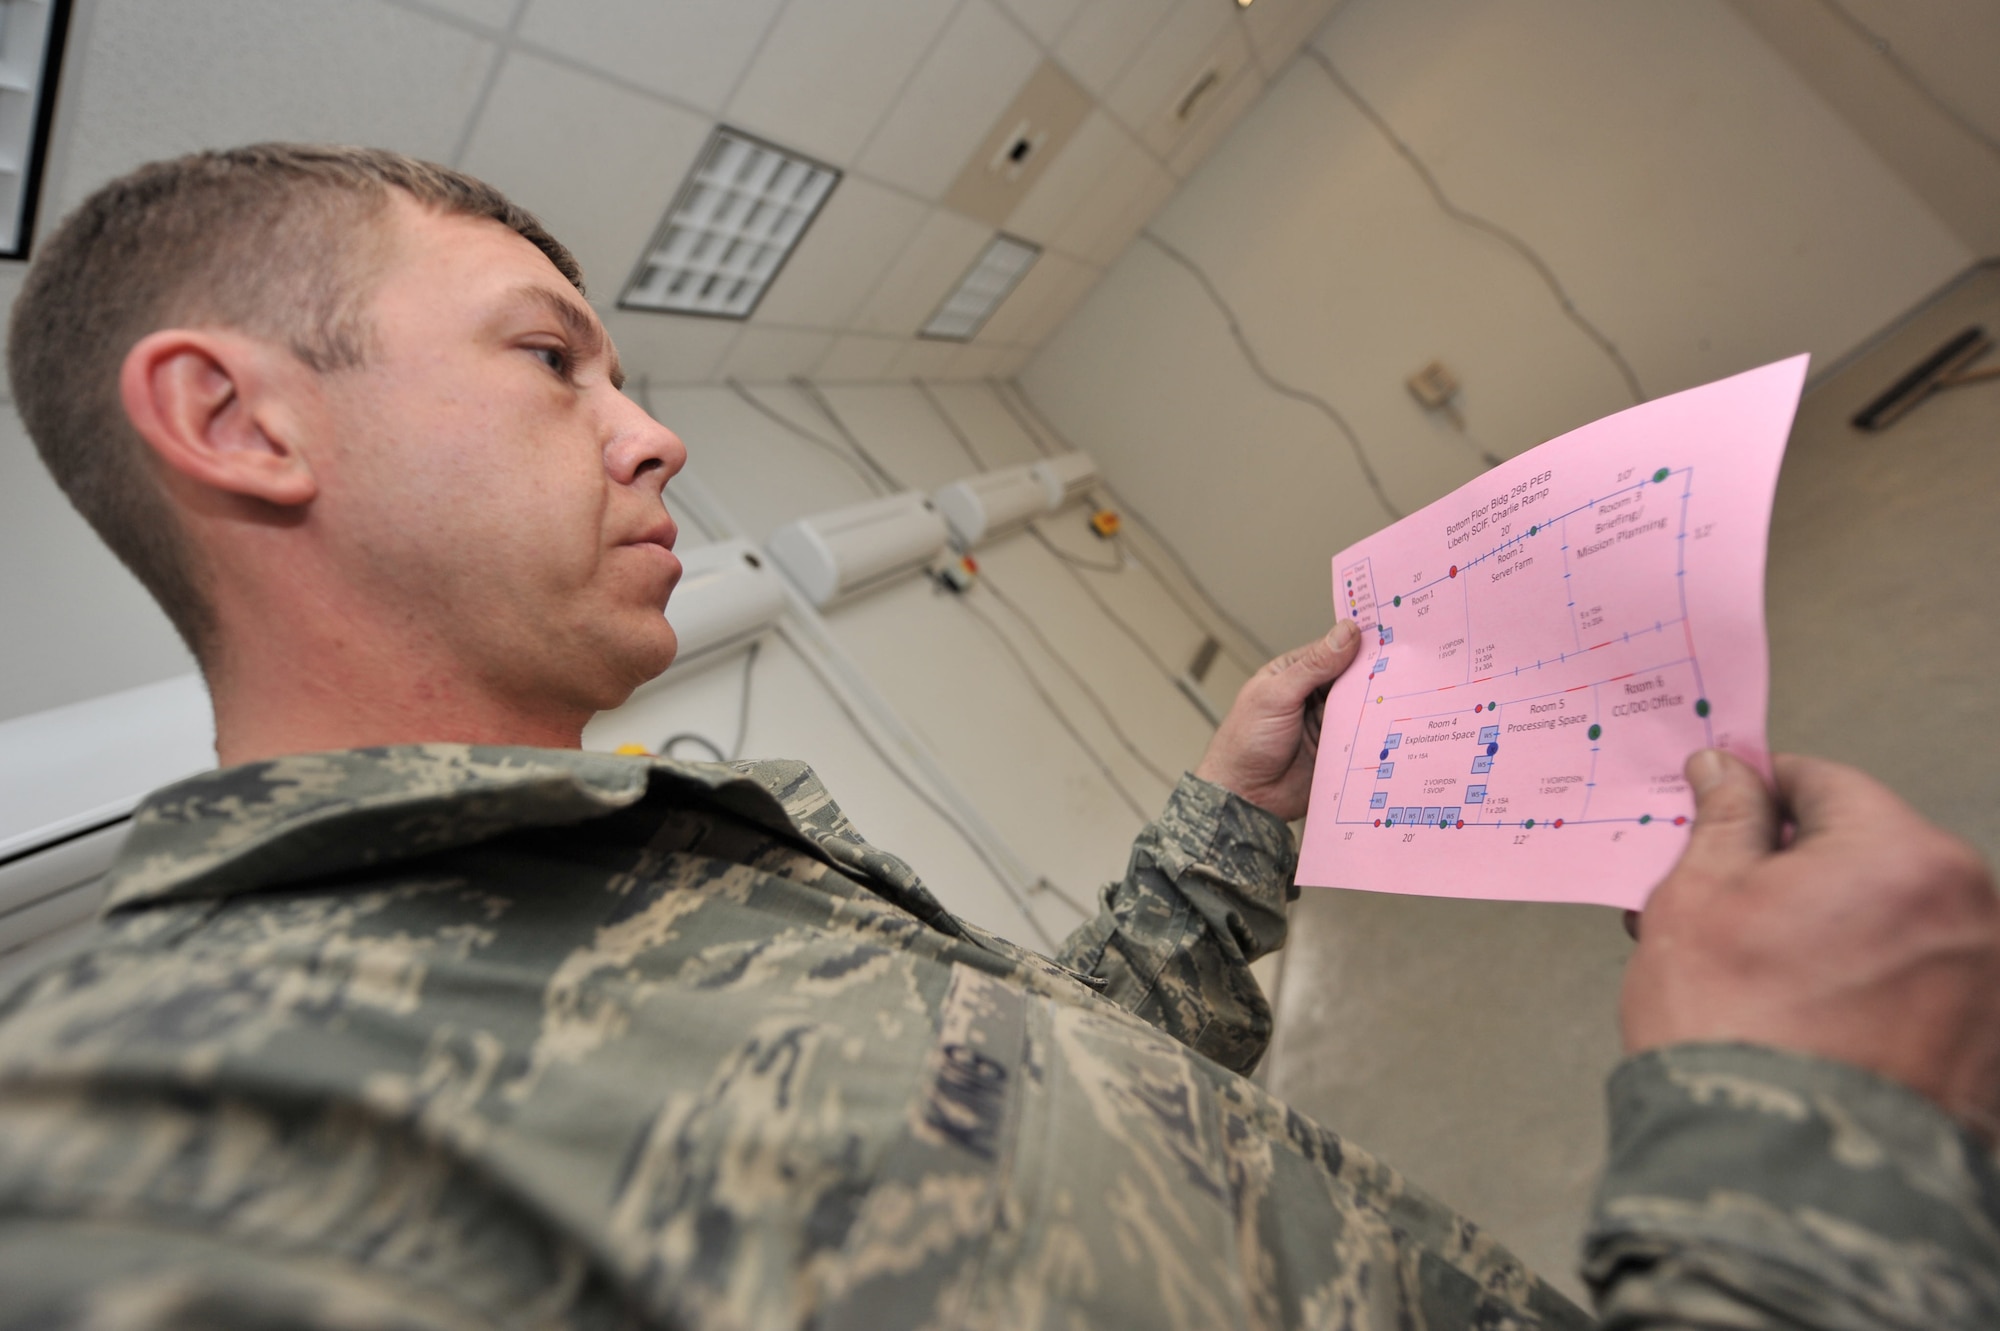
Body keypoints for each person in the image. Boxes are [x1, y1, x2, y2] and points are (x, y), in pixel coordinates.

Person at [0, 144, 1993, 1330]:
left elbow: (1034, 1115)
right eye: (550, 359)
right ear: (238, 422)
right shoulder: (149, 1142)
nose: (652, 433)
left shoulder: (637, 839)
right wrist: (1805, 1132)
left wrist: (1230, 826)